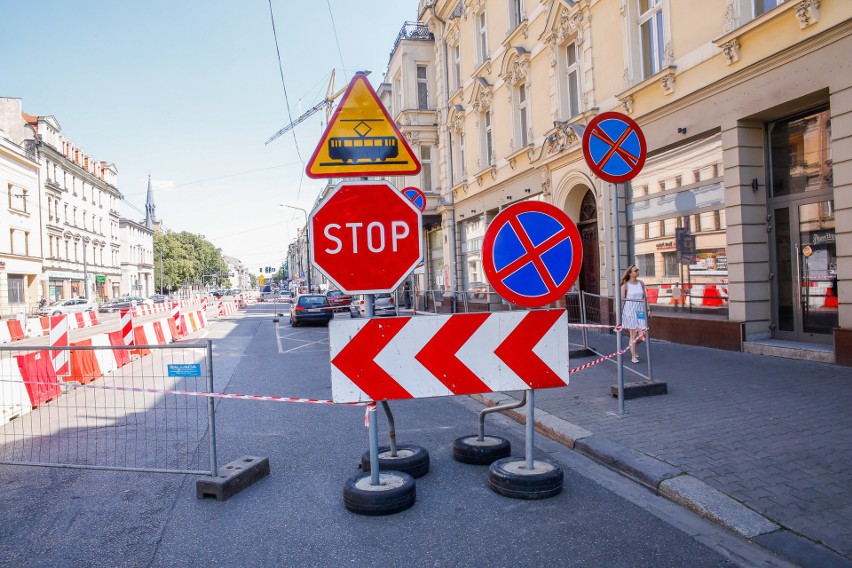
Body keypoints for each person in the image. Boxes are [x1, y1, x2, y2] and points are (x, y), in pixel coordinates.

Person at [620, 264, 647, 363]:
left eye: (638, 270)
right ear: (630, 273)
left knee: (643, 333)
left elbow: (645, 298)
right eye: (635, 271)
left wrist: (648, 310)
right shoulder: (625, 285)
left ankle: (632, 347)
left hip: (640, 311)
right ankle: (633, 356)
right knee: (633, 334)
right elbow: (622, 301)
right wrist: (620, 314)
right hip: (629, 311)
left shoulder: (641, 283)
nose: (637, 272)